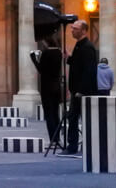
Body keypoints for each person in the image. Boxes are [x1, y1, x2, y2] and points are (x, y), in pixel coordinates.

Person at [59, 20, 98, 158]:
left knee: (77, 118)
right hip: (77, 90)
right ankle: (75, 145)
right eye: (72, 28)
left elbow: (89, 70)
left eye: (75, 29)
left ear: (83, 31)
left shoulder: (87, 47)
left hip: (82, 92)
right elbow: (78, 64)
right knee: (74, 117)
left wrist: (81, 90)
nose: (72, 31)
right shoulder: (80, 46)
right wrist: (69, 58)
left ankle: (73, 146)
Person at [31, 34, 63, 140]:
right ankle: (57, 138)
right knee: (55, 113)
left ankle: (53, 139)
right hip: (56, 87)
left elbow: (41, 69)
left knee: (49, 114)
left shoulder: (46, 53)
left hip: (47, 87)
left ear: (46, 42)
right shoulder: (59, 52)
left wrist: (34, 59)